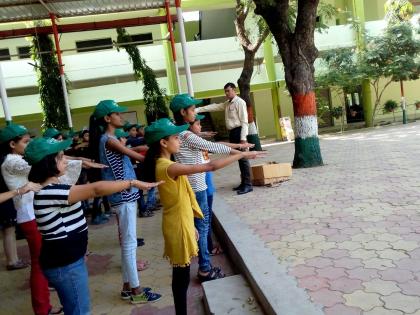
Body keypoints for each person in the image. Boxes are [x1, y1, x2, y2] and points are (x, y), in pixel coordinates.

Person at [25, 137, 162, 314]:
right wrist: (132, 182)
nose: (65, 160)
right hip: (65, 264)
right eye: (60, 157)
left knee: (76, 308)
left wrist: (83, 163)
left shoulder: (54, 187)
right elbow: (96, 189)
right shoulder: (51, 192)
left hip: (68, 261)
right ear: (47, 164)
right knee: (80, 311)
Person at [143, 118, 262, 315]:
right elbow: (210, 167)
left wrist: (192, 226)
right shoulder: (167, 166)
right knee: (181, 277)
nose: (179, 141)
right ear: (163, 143)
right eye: (175, 137)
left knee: (181, 274)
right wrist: (244, 154)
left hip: (181, 223)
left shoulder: (165, 163)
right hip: (178, 226)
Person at [0, 123, 93, 315]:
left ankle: (46, 305)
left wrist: (77, 158)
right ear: (11, 144)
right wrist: (78, 159)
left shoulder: (15, 158)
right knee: (39, 262)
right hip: (29, 214)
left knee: (43, 261)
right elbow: (41, 161)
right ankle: (42, 308)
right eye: (26, 142)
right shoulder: (12, 161)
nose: (29, 145)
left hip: (34, 212)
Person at [170, 94, 253, 282]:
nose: (195, 113)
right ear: (183, 112)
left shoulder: (181, 134)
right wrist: (243, 154)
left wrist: (239, 150)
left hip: (193, 186)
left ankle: (203, 265)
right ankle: (205, 269)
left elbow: (212, 145)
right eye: (192, 110)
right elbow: (213, 148)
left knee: (201, 226)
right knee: (202, 225)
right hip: (197, 187)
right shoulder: (185, 135)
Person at [88, 99, 161, 303]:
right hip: (123, 195)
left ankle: (127, 287)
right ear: (107, 118)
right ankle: (137, 292)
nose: (121, 116)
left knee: (129, 243)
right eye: (117, 114)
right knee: (129, 244)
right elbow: (136, 156)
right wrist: (161, 156)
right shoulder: (108, 140)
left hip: (125, 193)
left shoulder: (109, 139)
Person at [196, 82, 253, 195]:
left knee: (243, 159)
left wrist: (243, 139)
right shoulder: (227, 103)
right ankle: (243, 182)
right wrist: (198, 109)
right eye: (225, 91)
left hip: (239, 132)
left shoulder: (240, 102)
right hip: (232, 133)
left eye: (228, 90)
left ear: (234, 90)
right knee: (239, 158)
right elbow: (215, 106)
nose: (227, 93)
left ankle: (248, 185)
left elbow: (245, 122)